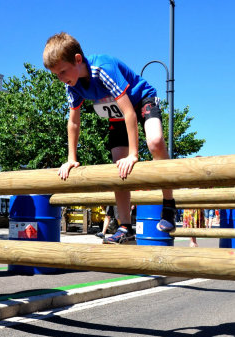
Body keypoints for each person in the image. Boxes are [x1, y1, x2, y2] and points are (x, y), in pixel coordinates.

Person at [43, 32, 177, 244]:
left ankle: (169, 203)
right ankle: (125, 226)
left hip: (141, 100)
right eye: (55, 74)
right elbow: (74, 122)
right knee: (118, 166)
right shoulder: (71, 85)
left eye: (62, 71)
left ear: (78, 60)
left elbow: (130, 113)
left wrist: (134, 154)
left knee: (155, 142)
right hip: (116, 111)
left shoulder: (102, 69)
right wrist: (71, 158)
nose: (60, 78)